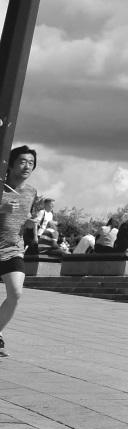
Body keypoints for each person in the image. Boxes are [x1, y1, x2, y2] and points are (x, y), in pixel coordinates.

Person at [0, 145, 39, 358]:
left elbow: (25, 216)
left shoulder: (31, 192)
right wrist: (2, 209)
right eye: (23, 161)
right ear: (11, 164)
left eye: (31, 163)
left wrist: (30, 223)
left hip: (13, 249)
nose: (27, 166)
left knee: (15, 293)